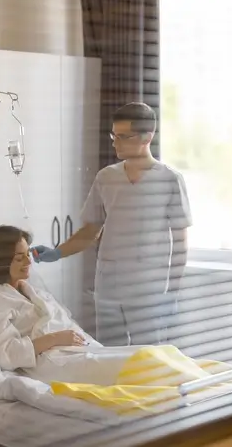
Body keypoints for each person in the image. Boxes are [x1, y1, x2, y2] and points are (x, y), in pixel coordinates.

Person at [30, 102, 193, 346]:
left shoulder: (169, 179)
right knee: (108, 351)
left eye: (123, 136)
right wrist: (57, 252)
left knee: (147, 355)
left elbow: (180, 243)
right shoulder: (106, 177)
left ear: (147, 137)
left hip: (149, 288)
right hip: (109, 285)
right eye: (113, 135)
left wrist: (173, 292)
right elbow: (90, 231)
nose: (115, 142)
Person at [0, 225, 135, 385]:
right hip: (54, 361)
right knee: (136, 367)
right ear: (2, 263)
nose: (29, 261)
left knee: (145, 357)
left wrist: (95, 346)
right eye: (20, 258)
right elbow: (4, 354)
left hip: (83, 349)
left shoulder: (33, 292)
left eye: (28, 253)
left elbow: (67, 324)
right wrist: (55, 338)